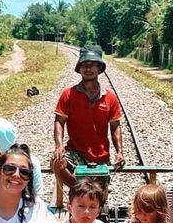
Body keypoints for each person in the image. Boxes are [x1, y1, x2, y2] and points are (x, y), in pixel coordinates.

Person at [52, 45, 125, 188]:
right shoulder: (68, 94)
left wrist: (119, 152)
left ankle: (88, 195)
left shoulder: (110, 97)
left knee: (98, 195)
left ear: (99, 69)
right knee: (56, 162)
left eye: (92, 65)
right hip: (75, 152)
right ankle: (79, 191)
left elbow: (115, 126)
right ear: (79, 69)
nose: (88, 68)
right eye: (84, 65)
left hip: (101, 156)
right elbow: (59, 121)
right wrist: (59, 146)